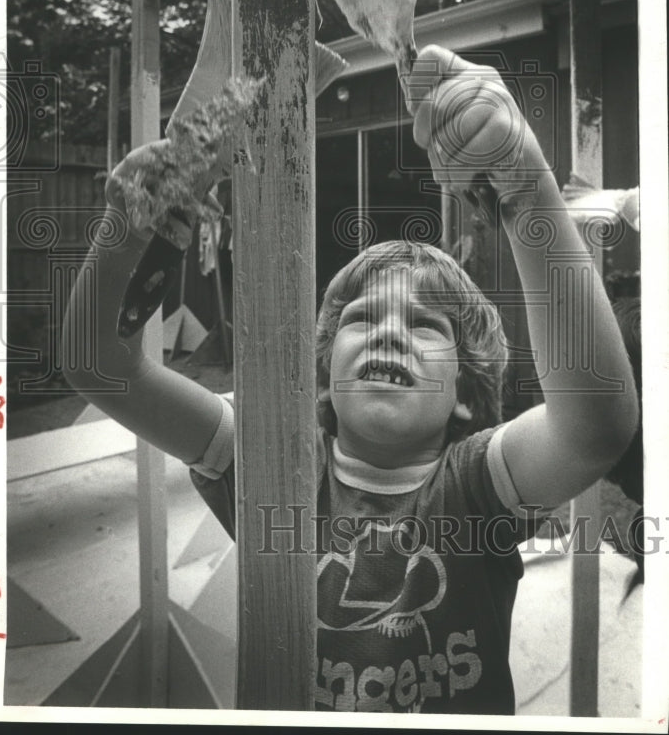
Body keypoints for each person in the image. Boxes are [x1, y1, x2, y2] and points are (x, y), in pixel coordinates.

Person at [63, 43, 638, 715]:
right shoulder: (272, 462)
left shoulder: (475, 486)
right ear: (326, 381)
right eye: (364, 320)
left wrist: (525, 187)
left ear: (465, 396)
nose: (392, 330)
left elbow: (595, 426)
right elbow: (100, 364)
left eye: (426, 327)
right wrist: (132, 224)